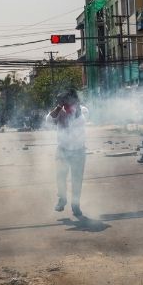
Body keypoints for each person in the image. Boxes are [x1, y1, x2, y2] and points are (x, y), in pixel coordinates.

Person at [46, 89, 89, 217]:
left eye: (69, 101)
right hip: (62, 149)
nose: (66, 105)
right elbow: (49, 120)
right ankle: (62, 199)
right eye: (64, 102)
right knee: (60, 177)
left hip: (79, 150)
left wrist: (74, 108)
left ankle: (76, 205)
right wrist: (59, 107)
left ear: (75, 101)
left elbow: (80, 120)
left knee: (77, 180)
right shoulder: (59, 111)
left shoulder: (83, 110)